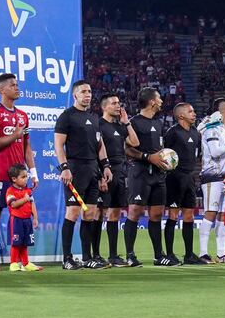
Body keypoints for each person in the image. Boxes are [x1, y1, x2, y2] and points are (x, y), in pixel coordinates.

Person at [53, 80, 110, 270]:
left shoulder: (94, 118)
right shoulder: (66, 116)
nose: (88, 95)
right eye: (83, 91)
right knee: (73, 212)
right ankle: (67, 259)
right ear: (75, 95)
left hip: (93, 170)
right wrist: (64, 167)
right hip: (75, 170)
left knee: (90, 214)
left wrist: (105, 168)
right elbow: (59, 145)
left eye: (90, 91)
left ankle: (87, 258)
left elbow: (99, 145)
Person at [0, 73, 36, 263]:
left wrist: (33, 173)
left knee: (22, 213)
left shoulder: (23, 116)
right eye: (13, 85)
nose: (17, 87)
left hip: (19, 176)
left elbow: (27, 147)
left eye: (17, 84)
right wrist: (15, 134)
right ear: (2, 90)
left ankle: (23, 260)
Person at [124, 87, 174, 266]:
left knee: (157, 214)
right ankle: (130, 255)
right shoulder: (134, 122)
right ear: (152, 101)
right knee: (135, 211)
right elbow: (127, 149)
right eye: (159, 98)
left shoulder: (159, 123)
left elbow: (159, 149)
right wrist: (147, 157)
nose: (161, 101)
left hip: (158, 174)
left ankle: (158, 256)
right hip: (140, 172)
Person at [198, 95, 225, 262]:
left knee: (223, 215)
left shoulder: (222, 128)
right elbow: (216, 152)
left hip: (223, 177)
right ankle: (203, 253)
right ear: (224, 110)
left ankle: (221, 253)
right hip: (212, 177)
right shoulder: (212, 128)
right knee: (211, 212)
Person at [162, 102, 202, 263]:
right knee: (173, 214)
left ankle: (189, 255)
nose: (194, 113)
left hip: (190, 178)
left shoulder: (195, 132)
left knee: (189, 215)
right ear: (181, 116)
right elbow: (164, 153)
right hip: (174, 178)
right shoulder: (173, 133)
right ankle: (170, 254)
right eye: (190, 111)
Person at [98, 93, 131, 267]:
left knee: (115, 214)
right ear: (104, 107)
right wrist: (100, 174)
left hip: (120, 172)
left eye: (119, 103)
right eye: (114, 103)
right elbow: (96, 150)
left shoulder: (120, 126)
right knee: (98, 213)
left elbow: (135, 141)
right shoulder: (99, 125)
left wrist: (126, 122)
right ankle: (93, 255)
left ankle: (112, 255)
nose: (118, 106)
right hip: (105, 172)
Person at [5, 164, 40, 271]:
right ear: (14, 179)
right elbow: (13, 204)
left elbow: (32, 203)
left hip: (27, 220)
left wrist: (35, 218)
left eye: (27, 176)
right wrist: (25, 199)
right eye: (23, 177)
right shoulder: (10, 191)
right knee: (16, 242)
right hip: (16, 220)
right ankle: (13, 263)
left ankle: (26, 263)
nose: (26, 179)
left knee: (25, 242)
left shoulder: (28, 191)